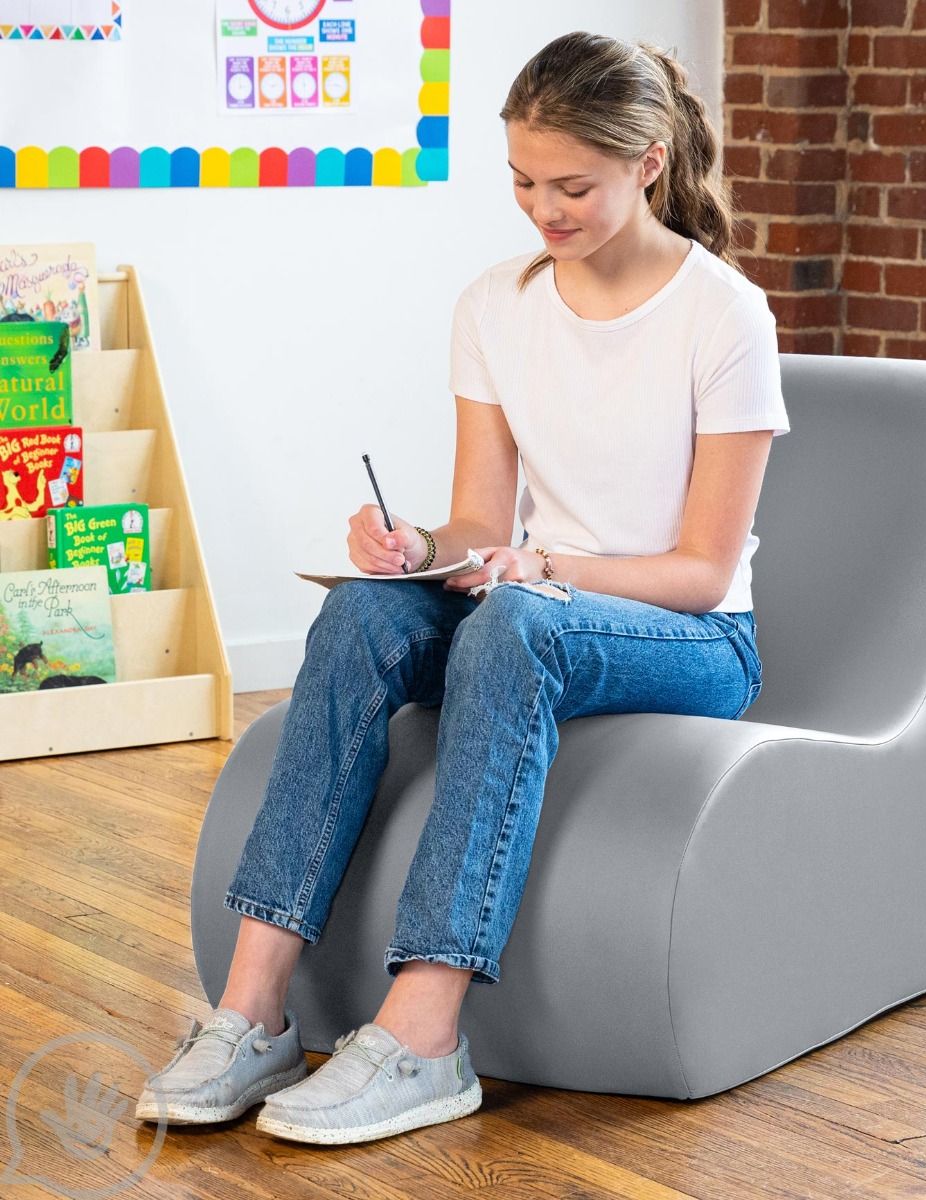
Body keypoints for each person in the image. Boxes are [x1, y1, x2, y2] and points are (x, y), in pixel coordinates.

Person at [137, 29, 790, 1146]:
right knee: (360, 613)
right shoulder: (496, 304)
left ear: (648, 161)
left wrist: (542, 570)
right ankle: (252, 1011)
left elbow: (701, 572)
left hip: (691, 641)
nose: (546, 209)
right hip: (535, 608)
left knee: (518, 631)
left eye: (573, 185)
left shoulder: (721, 313)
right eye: (525, 183)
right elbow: (483, 524)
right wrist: (415, 543)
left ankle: (428, 1035)